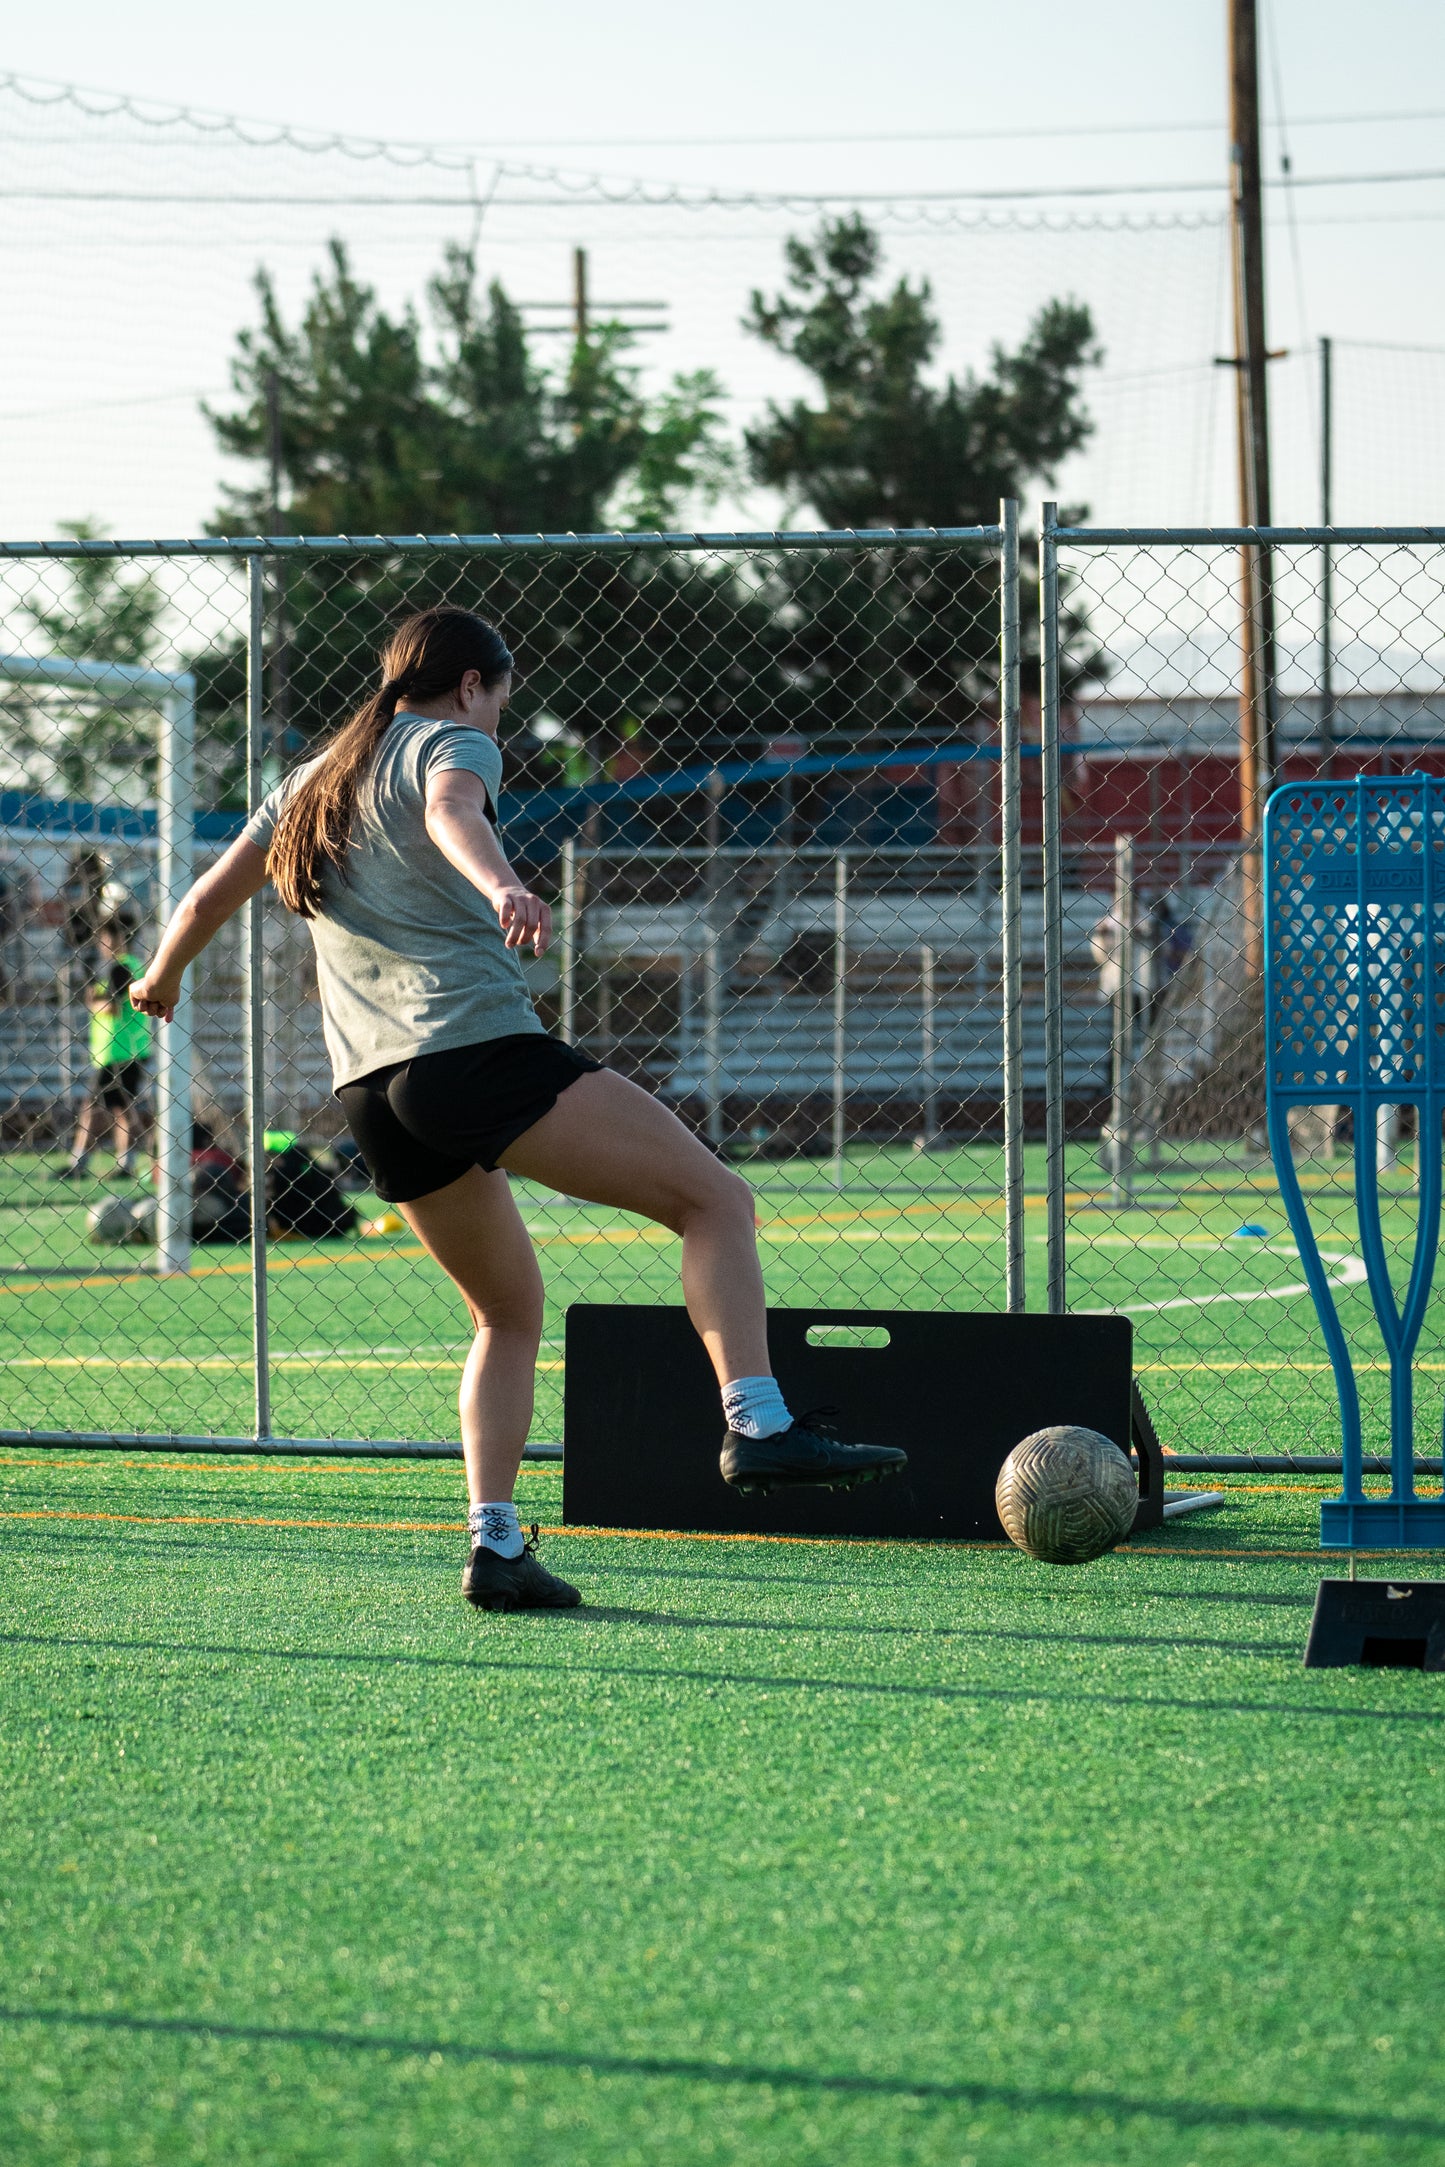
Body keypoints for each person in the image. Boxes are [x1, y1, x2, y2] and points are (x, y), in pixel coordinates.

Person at [131, 607, 905, 1612]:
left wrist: (160, 978)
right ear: (468, 685)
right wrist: (503, 882)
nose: (499, 714)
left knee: (505, 1311)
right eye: (500, 695)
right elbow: (456, 808)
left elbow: (204, 898)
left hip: (371, 1094)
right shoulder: (449, 742)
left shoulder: (313, 778)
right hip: (472, 1052)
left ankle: (494, 1544)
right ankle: (757, 1423)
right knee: (714, 1201)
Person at [56, 917, 151, 1179]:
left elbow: (111, 1006)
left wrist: (91, 1001)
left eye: (106, 938)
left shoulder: (122, 968)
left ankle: (80, 1162)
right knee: (120, 1109)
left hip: (118, 1052)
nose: (101, 944)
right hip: (124, 1050)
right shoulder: (127, 967)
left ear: (120, 939)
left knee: (95, 1107)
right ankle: (123, 1163)